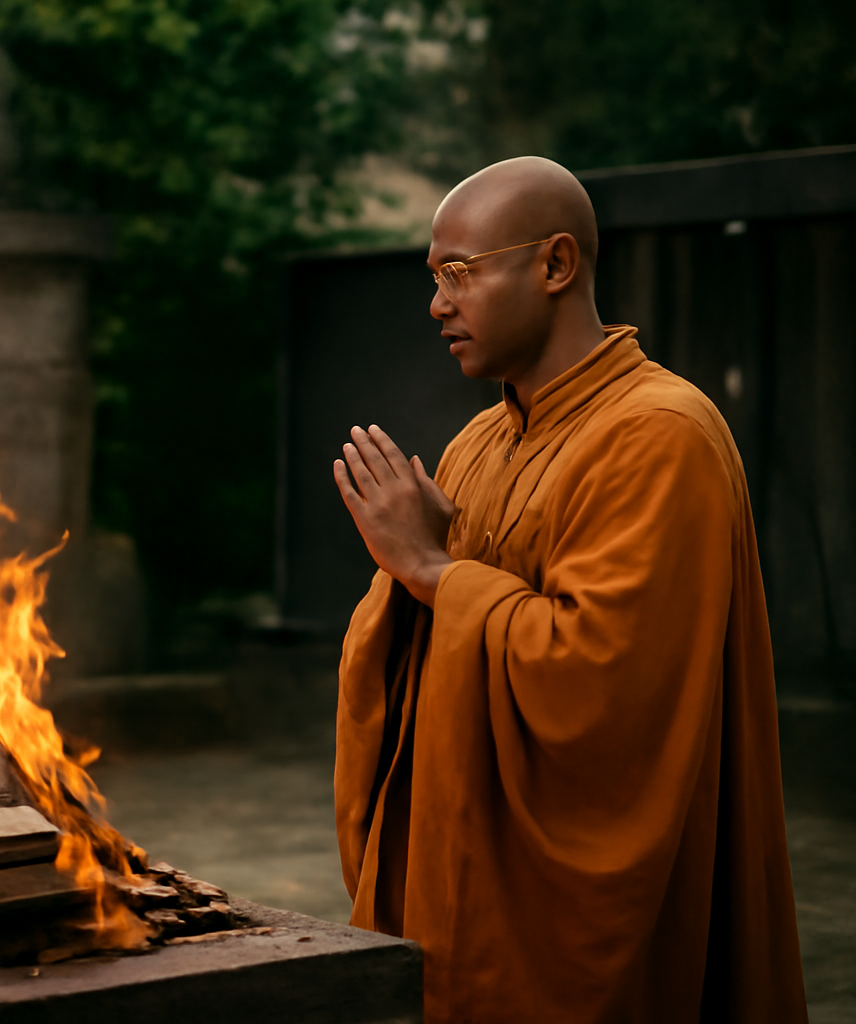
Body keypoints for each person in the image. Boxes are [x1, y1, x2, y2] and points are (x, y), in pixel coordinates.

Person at [331, 156, 807, 1023]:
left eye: (459, 275)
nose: (437, 304)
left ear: (554, 265)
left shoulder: (661, 435)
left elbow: (607, 681)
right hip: (456, 861)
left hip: (569, 915)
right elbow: (421, 648)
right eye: (434, 279)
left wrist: (431, 569)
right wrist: (409, 577)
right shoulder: (482, 438)